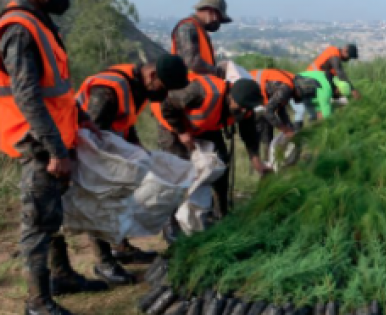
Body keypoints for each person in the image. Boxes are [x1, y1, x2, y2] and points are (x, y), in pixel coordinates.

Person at [0, 0, 107, 315]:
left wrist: (82, 117)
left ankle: (62, 276)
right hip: (38, 141)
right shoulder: (19, 30)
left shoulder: (39, 22)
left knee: (52, 215)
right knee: (38, 223)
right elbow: (28, 98)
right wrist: (55, 150)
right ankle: (38, 303)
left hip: (55, 136)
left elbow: (58, 88)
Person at [75, 55, 189, 286]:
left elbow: (125, 121)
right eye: (164, 87)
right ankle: (104, 263)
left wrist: (137, 148)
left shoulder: (138, 86)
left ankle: (120, 248)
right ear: (152, 75)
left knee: (120, 196)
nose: (165, 93)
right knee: (100, 201)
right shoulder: (107, 91)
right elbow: (89, 136)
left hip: (105, 145)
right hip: (81, 149)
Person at [151, 77, 271, 220]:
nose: (244, 110)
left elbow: (249, 134)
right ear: (231, 96)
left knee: (220, 163)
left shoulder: (245, 107)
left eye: (247, 107)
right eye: (241, 106)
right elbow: (167, 105)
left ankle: (221, 214)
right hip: (172, 124)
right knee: (178, 171)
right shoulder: (201, 92)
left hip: (203, 125)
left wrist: (256, 160)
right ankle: (171, 220)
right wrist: (182, 132)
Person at [248, 69, 319, 152]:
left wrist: (291, 129)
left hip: (254, 91)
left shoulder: (290, 83)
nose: (301, 99)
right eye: (302, 96)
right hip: (248, 90)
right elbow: (268, 111)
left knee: (269, 130)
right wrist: (286, 130)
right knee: (266, 128)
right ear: (300, 90)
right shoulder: (286, 88)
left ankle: (268, 155)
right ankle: (264, 157)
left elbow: (280, 109)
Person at [170, 0, 232, 78]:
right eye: (219, 19)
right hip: (189, 84)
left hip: (201, 83)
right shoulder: (188, 28)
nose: (218, 23)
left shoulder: (199, 29)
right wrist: (219, 72)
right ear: (211, 12)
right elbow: (193, 62)